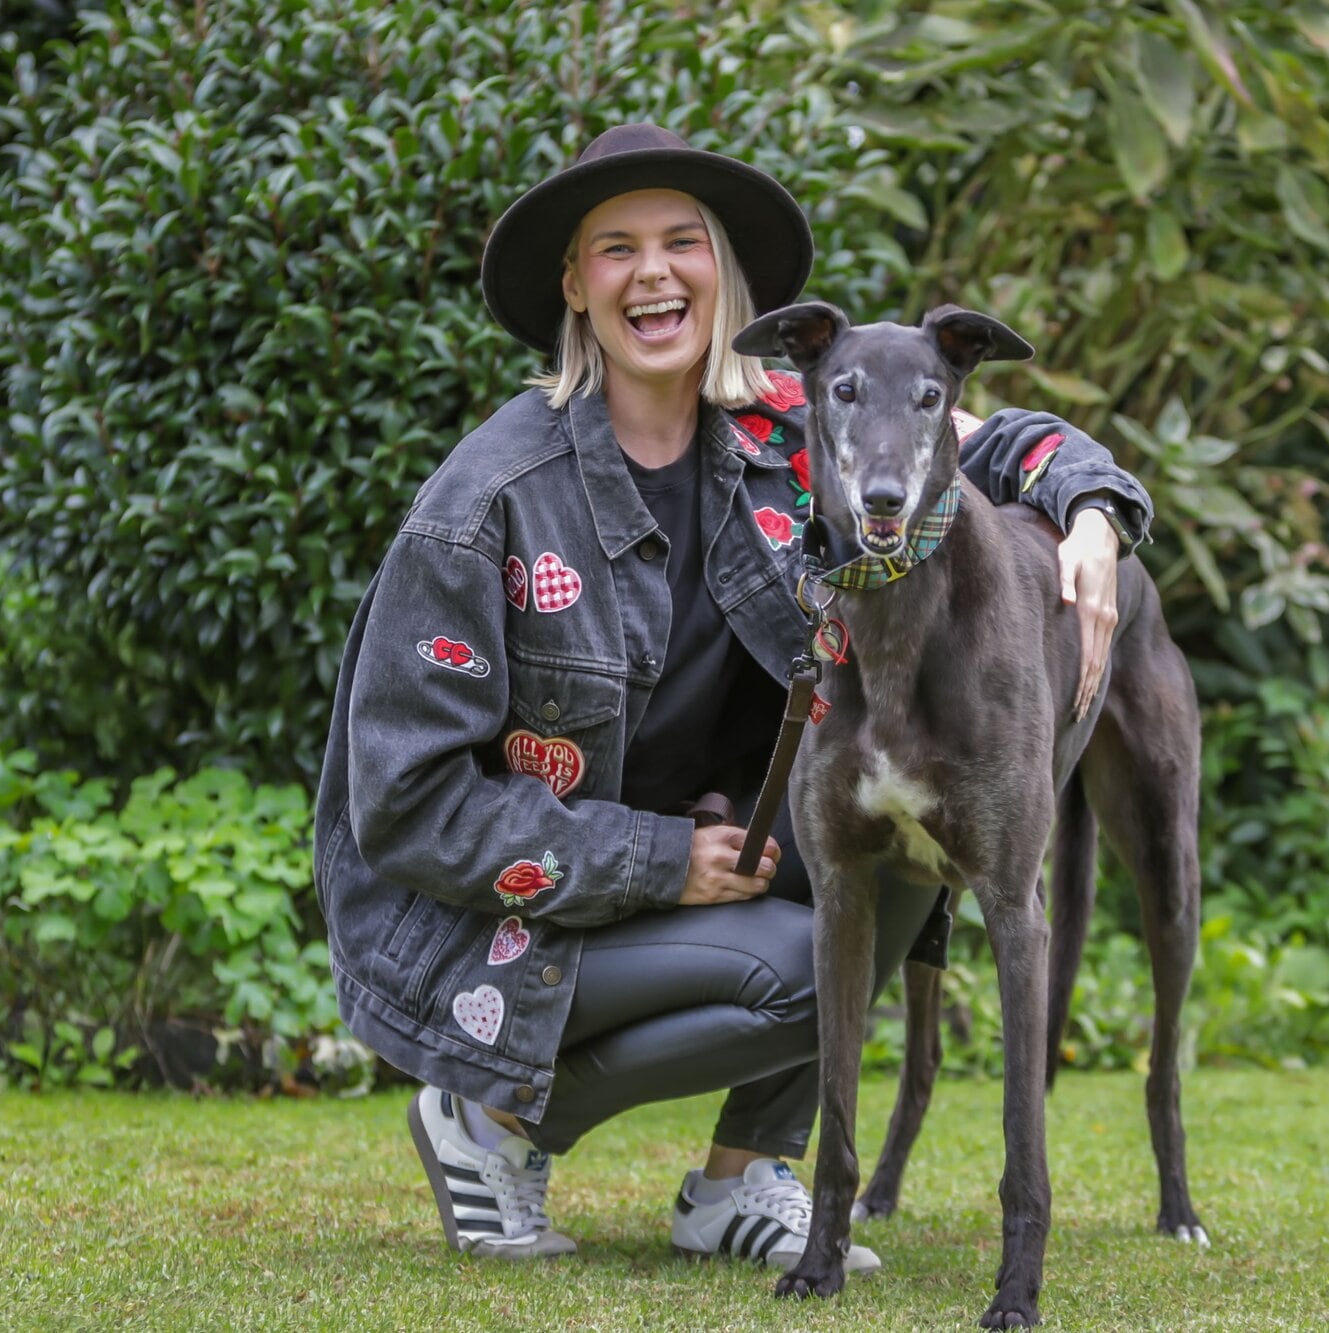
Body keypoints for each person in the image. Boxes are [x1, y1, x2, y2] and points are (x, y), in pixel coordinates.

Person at [312, 124, 1153, 1268]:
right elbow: (405, 805)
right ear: (575, 286)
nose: (652, 273)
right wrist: (659, 857)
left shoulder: (792, 426)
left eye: (681, 242)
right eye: (615, 248)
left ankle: (736, 1179)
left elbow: (996, 438)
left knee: (896, 847)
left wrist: (1094, 516)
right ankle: (487, 1117)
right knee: (807, 976)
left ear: (723, 271)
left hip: (700, 862)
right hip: (491, 922)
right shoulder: (485, 500)